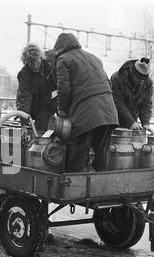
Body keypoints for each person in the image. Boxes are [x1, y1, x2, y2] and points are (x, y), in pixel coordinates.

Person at [54, 33, 119, 172]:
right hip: (109, 112)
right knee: (102, 154)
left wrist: (62, 111)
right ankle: (101, 188)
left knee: (77, 152)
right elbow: (107, 84)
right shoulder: (95, 58)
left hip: (86, 114)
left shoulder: (63, 59)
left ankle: (73, 189)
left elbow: (63, 89)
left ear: (59, 48)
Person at [16, 43, 57, 131]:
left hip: (55, 99)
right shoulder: (24, 75)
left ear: (41, 58)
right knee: (39, 129)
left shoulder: (51, 64)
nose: (35, 66)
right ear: (25, 62)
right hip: (40, 106)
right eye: (31, 63)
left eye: (37, 62)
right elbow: (23, 99)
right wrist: (24, 124)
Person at [110, 58, 154, 134]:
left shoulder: (147, 82)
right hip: (114, 120)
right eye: (138, 79)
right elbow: (117, 103)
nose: (140, 81)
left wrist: (145, 123)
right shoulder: (117, 78)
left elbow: (146, 103)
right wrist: (130, 122)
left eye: (143, 80)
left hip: (132, 121)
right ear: (132, 73)